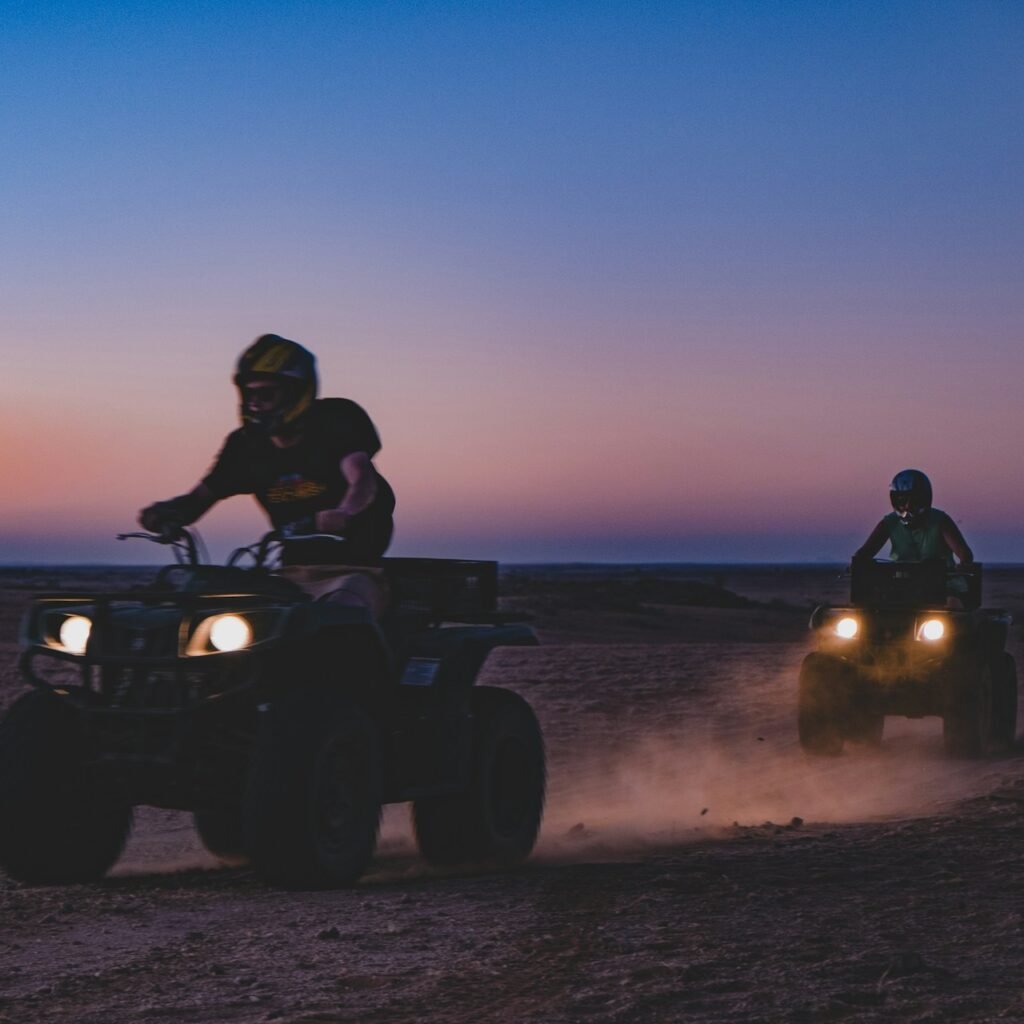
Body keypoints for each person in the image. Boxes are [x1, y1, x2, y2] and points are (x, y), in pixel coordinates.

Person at [139, 334, 395, 611]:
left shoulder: (336, 420)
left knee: (341, 612)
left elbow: (362, 479)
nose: (255, 403)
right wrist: (168, 513)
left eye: (266, 394)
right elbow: (200, 498)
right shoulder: (246, 446)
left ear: (297, 392)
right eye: (250, 394)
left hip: (353, 572)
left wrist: (345, 512)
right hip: (288, 575)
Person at [853, 469, 973, 566]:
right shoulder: (889, 522)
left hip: (942, 585)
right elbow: (865, 552)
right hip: (902, 586)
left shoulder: (941, 521)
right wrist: (857, 562)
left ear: (925, 498)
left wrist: (964, 564)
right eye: (902, 500)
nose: (908, 506)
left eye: (915, 500)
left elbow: (964, 553)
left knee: (952, 597)